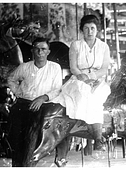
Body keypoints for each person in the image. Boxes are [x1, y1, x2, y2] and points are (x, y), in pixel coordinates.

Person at [50, 15, 111, 151]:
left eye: (93, 28)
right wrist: (83, 77)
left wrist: (93, 77)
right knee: (81, 91)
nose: (90, 31)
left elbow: (104, 69)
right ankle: (79, 126)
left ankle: (97, 135)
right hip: (79, 77)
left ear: (97, 30)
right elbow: (73, 67)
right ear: (82, 30)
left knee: (97, 95)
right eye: (86, 28)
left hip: (98, 79)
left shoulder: (103, 47)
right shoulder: (76, 45)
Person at [7, 37, 62, 166]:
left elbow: (57, 89)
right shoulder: (24, 67)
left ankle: (28, 164)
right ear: (32, 51)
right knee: (16, 137)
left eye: (43, 49)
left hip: (44, 105)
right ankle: (17, 164)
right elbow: (11, 79)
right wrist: (17, 92)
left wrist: (42, 98)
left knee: (32, 139)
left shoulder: (55, 68)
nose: (40, 52)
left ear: (48, 51)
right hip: (24, 103)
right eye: (37, 49)